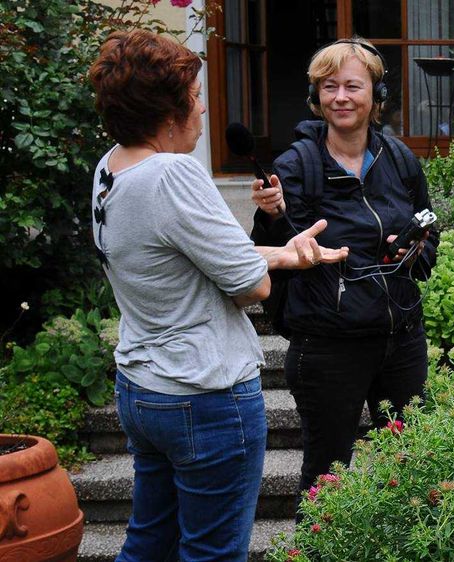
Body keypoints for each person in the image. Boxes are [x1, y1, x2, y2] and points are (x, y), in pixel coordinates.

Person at [88, 29, 348, 560]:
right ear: (169, 112)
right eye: (195, 96)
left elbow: (180, 260)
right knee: (213, 553)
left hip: (143, 388)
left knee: (149, 544)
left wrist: (286, 253)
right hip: (203, 393)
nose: (203, 108)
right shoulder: (173, 174)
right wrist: (267, 266)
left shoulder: (111, 167)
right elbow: (252, 286)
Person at [248, 38, 435, 497]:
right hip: (328, 346)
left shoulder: (400, 159)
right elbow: (274, 254)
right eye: (329, 87)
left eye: (353, 86)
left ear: (377, 95)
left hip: (400, 339)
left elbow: (428, 230)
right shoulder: (297, 165)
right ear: (316, 96)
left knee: (415, 469)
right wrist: (271, 215)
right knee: (326, 476)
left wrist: (413, 252)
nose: (341, 97)